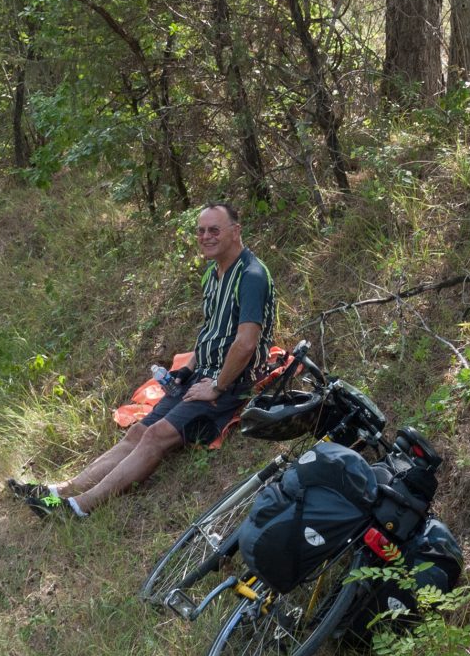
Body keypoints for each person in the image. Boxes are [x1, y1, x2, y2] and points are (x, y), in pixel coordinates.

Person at [14, 202, 277, 518]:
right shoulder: (212, 273)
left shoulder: (251, 276)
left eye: (214, 230)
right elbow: (212, 330)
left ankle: (77, 508)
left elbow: (246, 343)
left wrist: (218, 386)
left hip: (231, 382)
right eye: (201, 231)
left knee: (155, 436)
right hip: (200, 375)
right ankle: (59, 492)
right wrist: (187, 369)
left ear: (236, 231)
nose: (206, 236)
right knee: (137, 432)